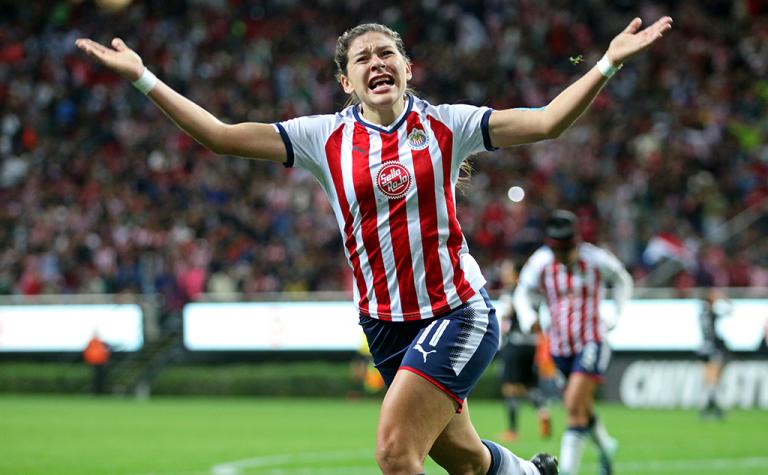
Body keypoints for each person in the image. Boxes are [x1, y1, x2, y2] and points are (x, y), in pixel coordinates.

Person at [75, 14, 671, 474]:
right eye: (362, 58)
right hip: (384, 326)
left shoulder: (448, 125)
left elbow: (545, 121)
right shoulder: (321, 137)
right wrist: (144, 79)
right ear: (346, 80)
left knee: (394, 453)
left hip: (455, 313)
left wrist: (607, 64)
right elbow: (222, 137)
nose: (376, 62)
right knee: (464, 461)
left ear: (408, 67)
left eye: (387, 52)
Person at [514, 210, 634, 475]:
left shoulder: (595, 259)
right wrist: (528, 316)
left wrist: (617, 311)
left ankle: (567, 470)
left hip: (591, 340)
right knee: (581, 406)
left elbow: (623, 279)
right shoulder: (541, 262)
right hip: (559, 346)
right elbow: (522, 291)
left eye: (567, 250)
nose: (563, 257)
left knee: (572, 407)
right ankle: (605, 446)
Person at [496, 260, 553, 443]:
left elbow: (506, 315)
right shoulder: (534, 293)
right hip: (532, 344)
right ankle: (543, 410)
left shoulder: (513, 293)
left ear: (516, 275)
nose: (504, 276)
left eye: (508, 272)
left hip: (516, 344)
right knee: (529, 385)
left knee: (510, 388)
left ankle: (512, 430)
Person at [697, 287, 732, 420]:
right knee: (713, 380)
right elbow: (730, 311)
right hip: (712, 349)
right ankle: (710, 407)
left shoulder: (701, 313)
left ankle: (710, 407)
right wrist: (724, 299)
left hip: (703, 348)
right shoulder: (712, 314)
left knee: (708, 379)